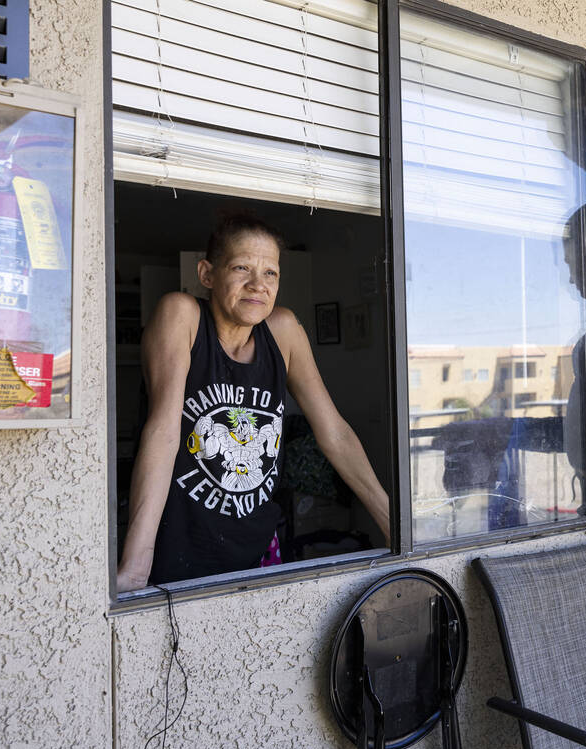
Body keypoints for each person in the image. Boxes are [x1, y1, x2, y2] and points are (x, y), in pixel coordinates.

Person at [116, 214, 390, 591]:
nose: (257, 285)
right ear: (207, 274)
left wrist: (393, 523)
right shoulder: (182, 316)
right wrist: (135, 564)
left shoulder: (283, 331)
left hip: (260, 546)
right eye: (242, 267)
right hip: (179, 544)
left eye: (271, 273)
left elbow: (335, 433)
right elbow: (163, 432)